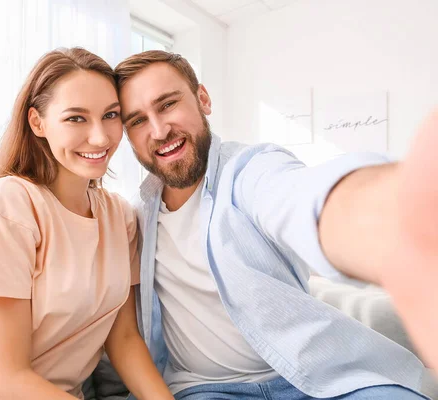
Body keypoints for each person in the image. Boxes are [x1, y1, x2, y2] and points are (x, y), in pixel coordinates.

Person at [114, 50, 432, 399]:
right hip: (206, 390)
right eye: (138, 121)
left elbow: (298, 198)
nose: (159, 131)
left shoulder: (250, 169)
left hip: (317, 376)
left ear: (202, 99)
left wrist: (402, 221)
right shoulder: (135, 219)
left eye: (167, 104)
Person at [0, 48, 173, 400]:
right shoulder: (9, 204)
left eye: (110, 115)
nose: (101, 137)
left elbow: (123, 340)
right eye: (76, 118)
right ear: (37, 122)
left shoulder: (120, 217)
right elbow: (8, 380)